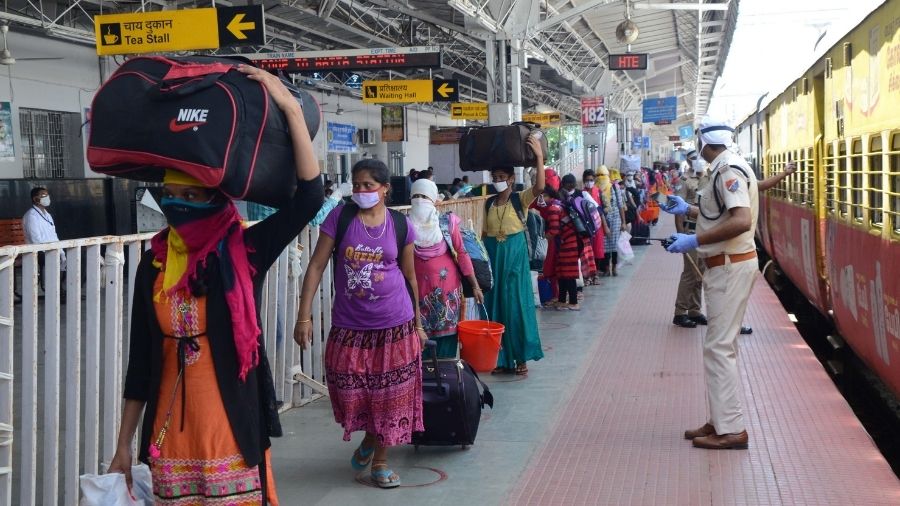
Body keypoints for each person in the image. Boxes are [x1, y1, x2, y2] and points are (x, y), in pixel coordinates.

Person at [108, 64, 323, 504]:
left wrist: (290, 110)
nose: (177, 205)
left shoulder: (247, 250)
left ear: (217, 199)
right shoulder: (154, 263)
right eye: (170, 195)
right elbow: (140, 364)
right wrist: (123, 446)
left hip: (231, 428)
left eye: (191, 196)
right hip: (169, 440)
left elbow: (309, 200)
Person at [294, 159, 424, 489]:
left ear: (385, 189)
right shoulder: (341, 218)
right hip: (349, 328)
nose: (361, 191)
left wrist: (420, 326)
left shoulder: (400, 224)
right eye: (356, 185)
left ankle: (380, 461)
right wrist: (304, 316)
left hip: (396, 326)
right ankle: (369, 437)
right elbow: (316, 266)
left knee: (390, 397)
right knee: (352, 391)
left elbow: (410, 277)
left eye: (368, 185)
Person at [661, 116, 759, 450]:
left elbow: (741, 220)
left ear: (704, 142)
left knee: (719, 347)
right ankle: (720, 420)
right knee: (721, 346)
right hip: (725, 265)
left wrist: (694, 240)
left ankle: (731, 428)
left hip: (730, 266)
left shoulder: (728, 170)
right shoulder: (722, 168)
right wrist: (688, 209)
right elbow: (720, 213)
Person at [483, 136, 546, 376]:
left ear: (511, 179)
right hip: (494, 254)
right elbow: (484, 233)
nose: (497, 181)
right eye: (494, 178)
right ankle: (500, 358)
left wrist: (539, 157)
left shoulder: (520, 199)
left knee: (516, 305)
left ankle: (520, 358)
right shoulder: (488, 204)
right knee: (495, 304)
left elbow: (540, 187)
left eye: (501, 178)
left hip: (515, 255)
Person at [409, 178, 483, 358]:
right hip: (417, 298)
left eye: (424, 196)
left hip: (447, 298)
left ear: (434, 199)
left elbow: (462, 253)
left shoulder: (446, 223)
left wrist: (475, 285)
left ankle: (446, 379)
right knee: (420, 344)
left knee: (447, 346)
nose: (420, 200)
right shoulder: (405, 225)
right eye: (415, 196)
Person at [671, 150, 710, 329]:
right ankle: (680, 313)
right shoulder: (683, 181)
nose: (699, 161)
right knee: (690, 273)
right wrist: (681, 236)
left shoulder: (709, 178)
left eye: (700, 157)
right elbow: (679, 211)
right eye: (694, 158)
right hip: (690, 232)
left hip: (704, 232)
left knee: (700, 272)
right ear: (688, 160)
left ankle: (694, 310)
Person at [551, 175, 596, 309]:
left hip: (570, 241)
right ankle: (562, 300)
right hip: (571, 240)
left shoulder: (557, 203)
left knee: (569, 273)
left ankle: (573, 302)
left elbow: (554, 230)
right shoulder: (568, 198)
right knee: (562, 272)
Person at [22, 186, 66, 291]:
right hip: (38, 252)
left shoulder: (48, 215)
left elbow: (54, 236)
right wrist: (54, 251)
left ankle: (63, 287)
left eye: (47, 195)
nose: (47, 198)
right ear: (35, 199)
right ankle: (56, 289)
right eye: (43, 195)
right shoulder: (31, 216)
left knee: (79, 256)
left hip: (52, 249)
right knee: (57, 258)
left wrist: (61, 252)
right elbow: (36, 240)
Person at [596, 166, 626, 276]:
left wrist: (623, 222)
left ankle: (614, 267)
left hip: (615, 219)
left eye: (602, 175)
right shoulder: (596, 188)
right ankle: (606, 268)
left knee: (614, 244)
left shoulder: (614, 186)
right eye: (598, 175)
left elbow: (620, 204)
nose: (600, 177)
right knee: (605, 245)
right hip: (602, 220)